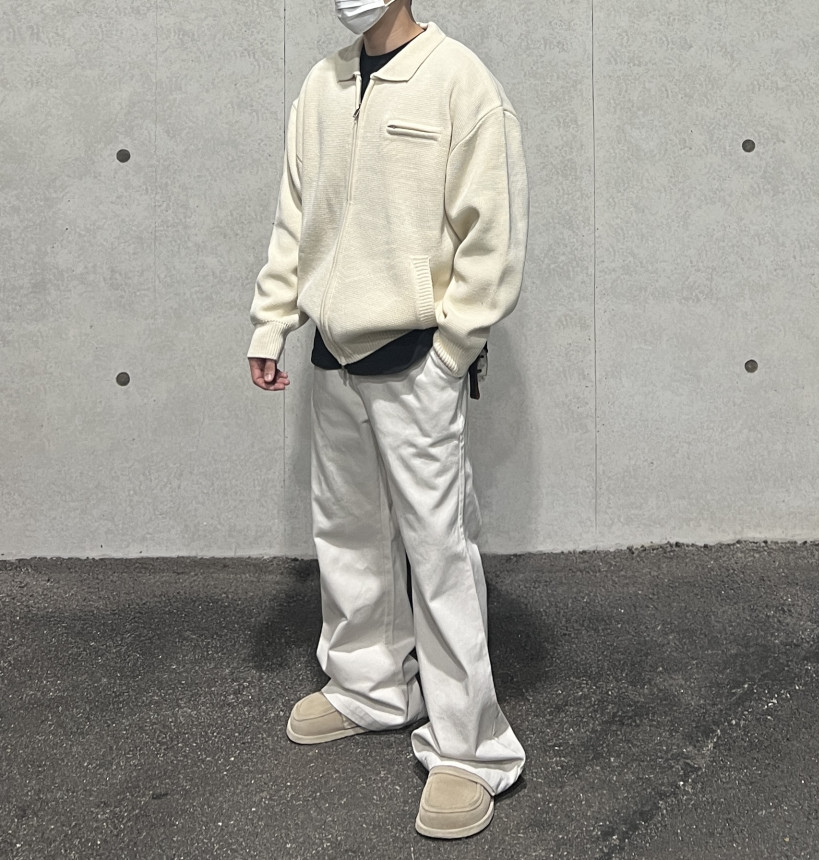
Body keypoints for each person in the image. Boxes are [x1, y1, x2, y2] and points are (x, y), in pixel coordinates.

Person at [246, 0, 529, 840]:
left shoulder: (460, 82)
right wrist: (272, 322)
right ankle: (370, 687)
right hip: (333, 353)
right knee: (346, 529)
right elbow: (296, 215)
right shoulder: (323, 84)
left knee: (439, 550)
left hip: (416, 360)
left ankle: (470, 749)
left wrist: (452, 352)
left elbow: (492, 234)